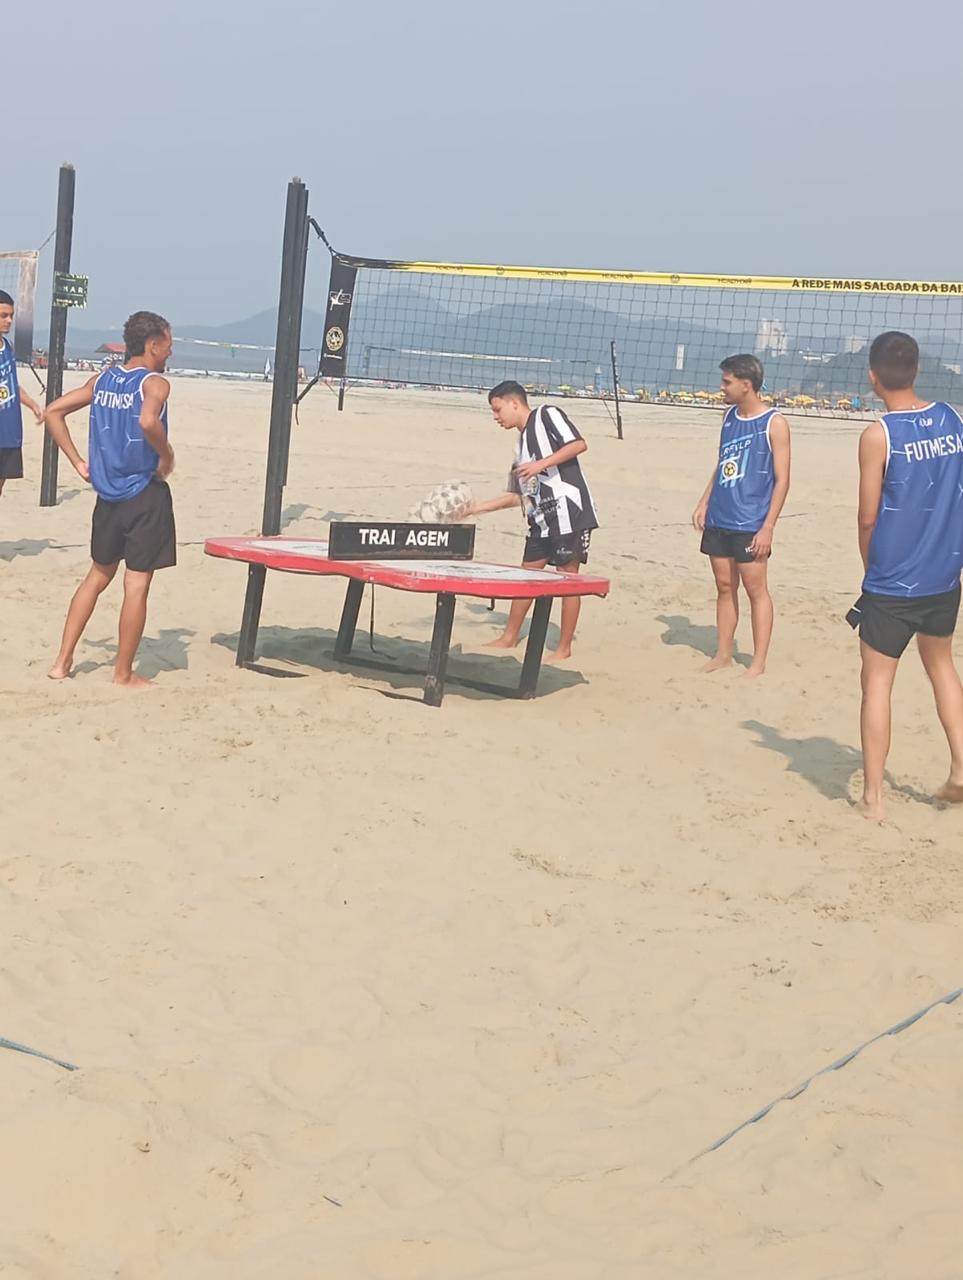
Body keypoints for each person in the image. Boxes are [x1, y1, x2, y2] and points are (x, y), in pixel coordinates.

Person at [848, 330, 963, 818]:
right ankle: (961, 768)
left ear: (873, 377)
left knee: (876, 683)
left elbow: (867, 517)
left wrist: (870, 569)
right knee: (942, 666)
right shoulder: (952, 417)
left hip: (893, 580)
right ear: (916, 370)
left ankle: (873, 798)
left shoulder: (879, 435)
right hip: (944, 574)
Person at [43, 311, 176, 688]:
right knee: (136, 584)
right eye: (168, 345)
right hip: (143, 494)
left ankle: (62, 662)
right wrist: (166, 455)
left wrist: (78, 463)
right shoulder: (155, 383)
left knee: (97, 577)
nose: (171, 352)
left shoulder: (103, 379)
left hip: (107, 496)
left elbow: (53, 411)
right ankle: (123, 673)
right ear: (153, 345)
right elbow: (148, 421)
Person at [470, 380, 598, 661]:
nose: (496, 417)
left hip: (569, 514)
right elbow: (515, 496)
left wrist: (541, 464)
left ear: (514, 403)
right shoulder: (519, 449)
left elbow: (578, 444)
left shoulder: (546, 414)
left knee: (567, 578)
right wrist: (476, 508)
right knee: (526, 575)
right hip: (540, 521)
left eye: (497, 409)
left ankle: (563, 648)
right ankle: (509, 637)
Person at [692, 354, 791, 677]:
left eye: (727, 381)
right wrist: (704, 502)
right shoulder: (728, 416)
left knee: (756, 590)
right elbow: (722, 464)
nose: (722, 387)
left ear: (746, 384)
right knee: (724, 586)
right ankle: (723, 654)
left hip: (751, 521)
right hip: (720, 516)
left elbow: (783, 480)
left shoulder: (774, 423)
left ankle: (758, 662)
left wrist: (768, 527)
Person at [0, 289, 45, 495]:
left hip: (10, 430)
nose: (9, 321)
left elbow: (11, 385)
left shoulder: (8, 347)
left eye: (11, 316)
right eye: (3, 316)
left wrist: (33, 405)